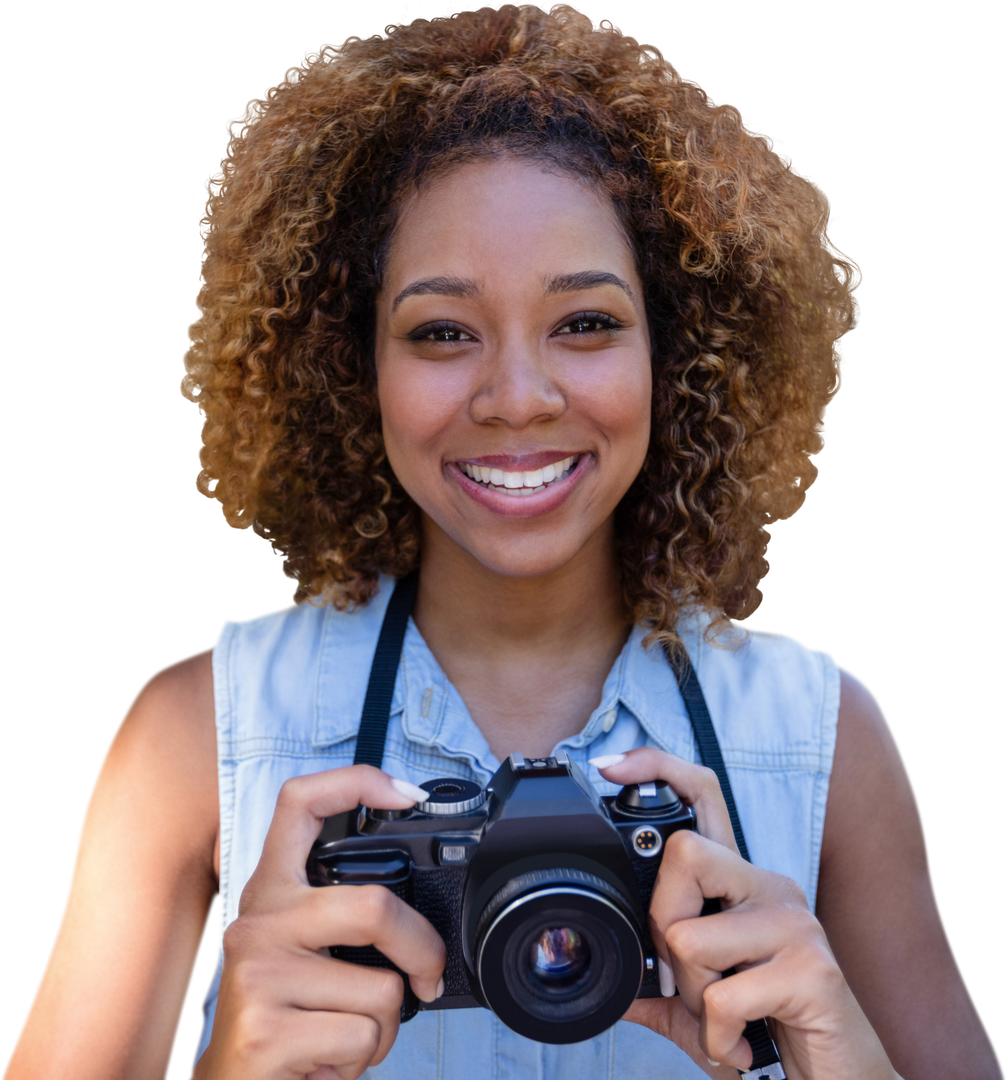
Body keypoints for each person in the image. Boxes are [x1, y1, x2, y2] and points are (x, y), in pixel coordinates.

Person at [5, 2, 1000, 1078]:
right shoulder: (190, 743)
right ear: (353, 366)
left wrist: (836, 1052)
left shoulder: (822, 736)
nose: (516, 399)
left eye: (584, 323)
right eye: (440, 332)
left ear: (678, 351)